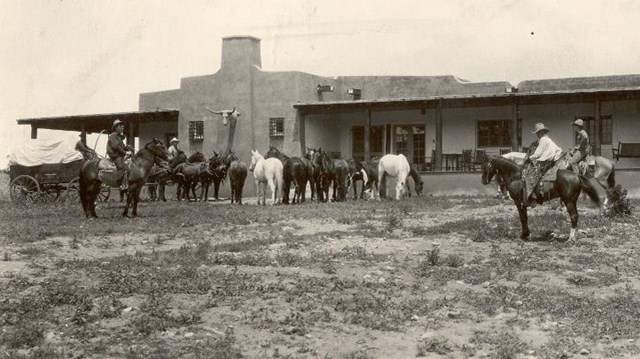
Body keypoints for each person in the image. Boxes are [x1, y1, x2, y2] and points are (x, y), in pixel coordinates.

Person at [521, 123, 562, 207]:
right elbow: (559, 150)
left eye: (538, 132)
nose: (537, 134)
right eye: (537, 133)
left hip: (543, 162)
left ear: (541, 132)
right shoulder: (549, 140)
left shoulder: (543, 140)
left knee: (528, 175)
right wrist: (554, 158)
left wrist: (530, 158)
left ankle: (532, 198)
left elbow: (538, 153)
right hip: (549, 162)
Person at [107, 119, 134, 190]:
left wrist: (129, 148)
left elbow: (122, 146)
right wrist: (125, 153)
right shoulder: (113, 136)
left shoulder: (119, 137)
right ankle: (120, 184)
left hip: (119, 154)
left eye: (123, 127)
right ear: (116, 128)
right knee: (121, 166)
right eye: (121, 127)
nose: (122, 128)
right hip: (114, 155)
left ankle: (127, 181)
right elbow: (115, 146)